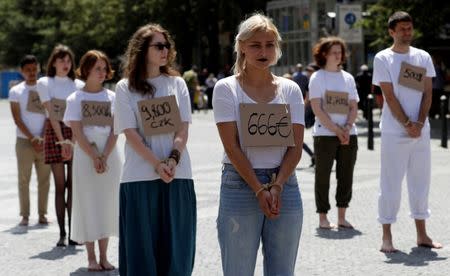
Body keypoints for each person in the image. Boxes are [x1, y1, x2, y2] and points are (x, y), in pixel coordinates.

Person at [213, 13, 304, 275]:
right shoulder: (226, 88)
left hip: (284, 183)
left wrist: (276, 186)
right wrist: (259, 189)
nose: (263, 51)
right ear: (241, 46)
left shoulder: (290, 89)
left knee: (282, 270)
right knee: (238, 270)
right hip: (240, 184)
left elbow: (296, 148)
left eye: (269, 45)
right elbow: (232, 147)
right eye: (255, 45)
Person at [114, 24, 196, 275]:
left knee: (177, 253)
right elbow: (131, 134)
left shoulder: (177, 83)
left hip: (177, 174)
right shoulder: (125, 87)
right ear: (142, 50)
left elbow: (183, 128)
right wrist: (156, 164)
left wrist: (172, 159)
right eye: (158, 45)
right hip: (139, 177)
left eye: (167, 45)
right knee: (142, 255)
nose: (165, 50)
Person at [372, 11, 443, 253]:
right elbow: (388, 95)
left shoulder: (423, 57)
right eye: (401, 28)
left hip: (420, 132)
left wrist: (420, 124)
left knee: (420, 182)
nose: (407, 32)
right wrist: (407, 124)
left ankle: (422, 234)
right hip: (394, 132)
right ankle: (387, 237)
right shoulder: (383, 58)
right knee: (390, 184)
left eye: (409, 28)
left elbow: (428, 93)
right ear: (391, 32)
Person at [63, 50, 120, 271]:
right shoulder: (75, 98)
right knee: (87, 202)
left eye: (105, 68)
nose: (103, 72)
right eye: (98, 68)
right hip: (85, 156)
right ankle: (90, 258)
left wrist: (104, 155)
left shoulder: (113, 97)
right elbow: (77, 132)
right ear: (86, 69)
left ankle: (105, 256)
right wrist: (94, 155)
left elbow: (116, 130)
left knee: (106, 203)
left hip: (110, 154)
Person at [309, 36, 359, 229]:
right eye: (334, 52)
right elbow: (317, 108)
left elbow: (353, 106)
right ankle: (323, 216)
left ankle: (342, 215)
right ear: (324, 54)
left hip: (348, 133)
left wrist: (346, 128)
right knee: (322, 175)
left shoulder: (348, 78)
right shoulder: (318, 77)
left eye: (340, 52)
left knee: (346, 175)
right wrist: (336, 129)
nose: (338, 56)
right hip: (325, 134)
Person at [37, 44, 84, 246]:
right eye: (61, 60)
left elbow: (78, 118)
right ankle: (62, 233)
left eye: (68, 61)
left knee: (73, 186)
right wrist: (62, 140)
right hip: (54, 131)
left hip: (74, 133)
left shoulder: (79, 85)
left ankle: (74, 232)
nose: (65, 64)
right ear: (53, 62)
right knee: (60, 186)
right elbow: (52, 115)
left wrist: (72, 142)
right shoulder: (44, 83)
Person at [9, 55, 51, 226]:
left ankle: (42, 214)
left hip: (45, 139)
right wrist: (32, 138)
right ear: (22, 72)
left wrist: (42, 137)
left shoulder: (46, 89)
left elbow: (51, 116)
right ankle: (25, 215)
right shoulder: (16, 91)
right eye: (28, 70)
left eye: (34, 69)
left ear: (39, 68)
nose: (32, 73)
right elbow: (17, 118)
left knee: (45, 179)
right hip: (24, 141)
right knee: (24, 179)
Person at [294, 62, 316, 167]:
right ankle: (314, 156)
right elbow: (307, 99)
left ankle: (315, 156)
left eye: (310, 71)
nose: (308, 73)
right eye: (307, 71)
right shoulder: (308, 80)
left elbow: (307, 100)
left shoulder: (313, 80)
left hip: (312, 110)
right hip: (308, 108)